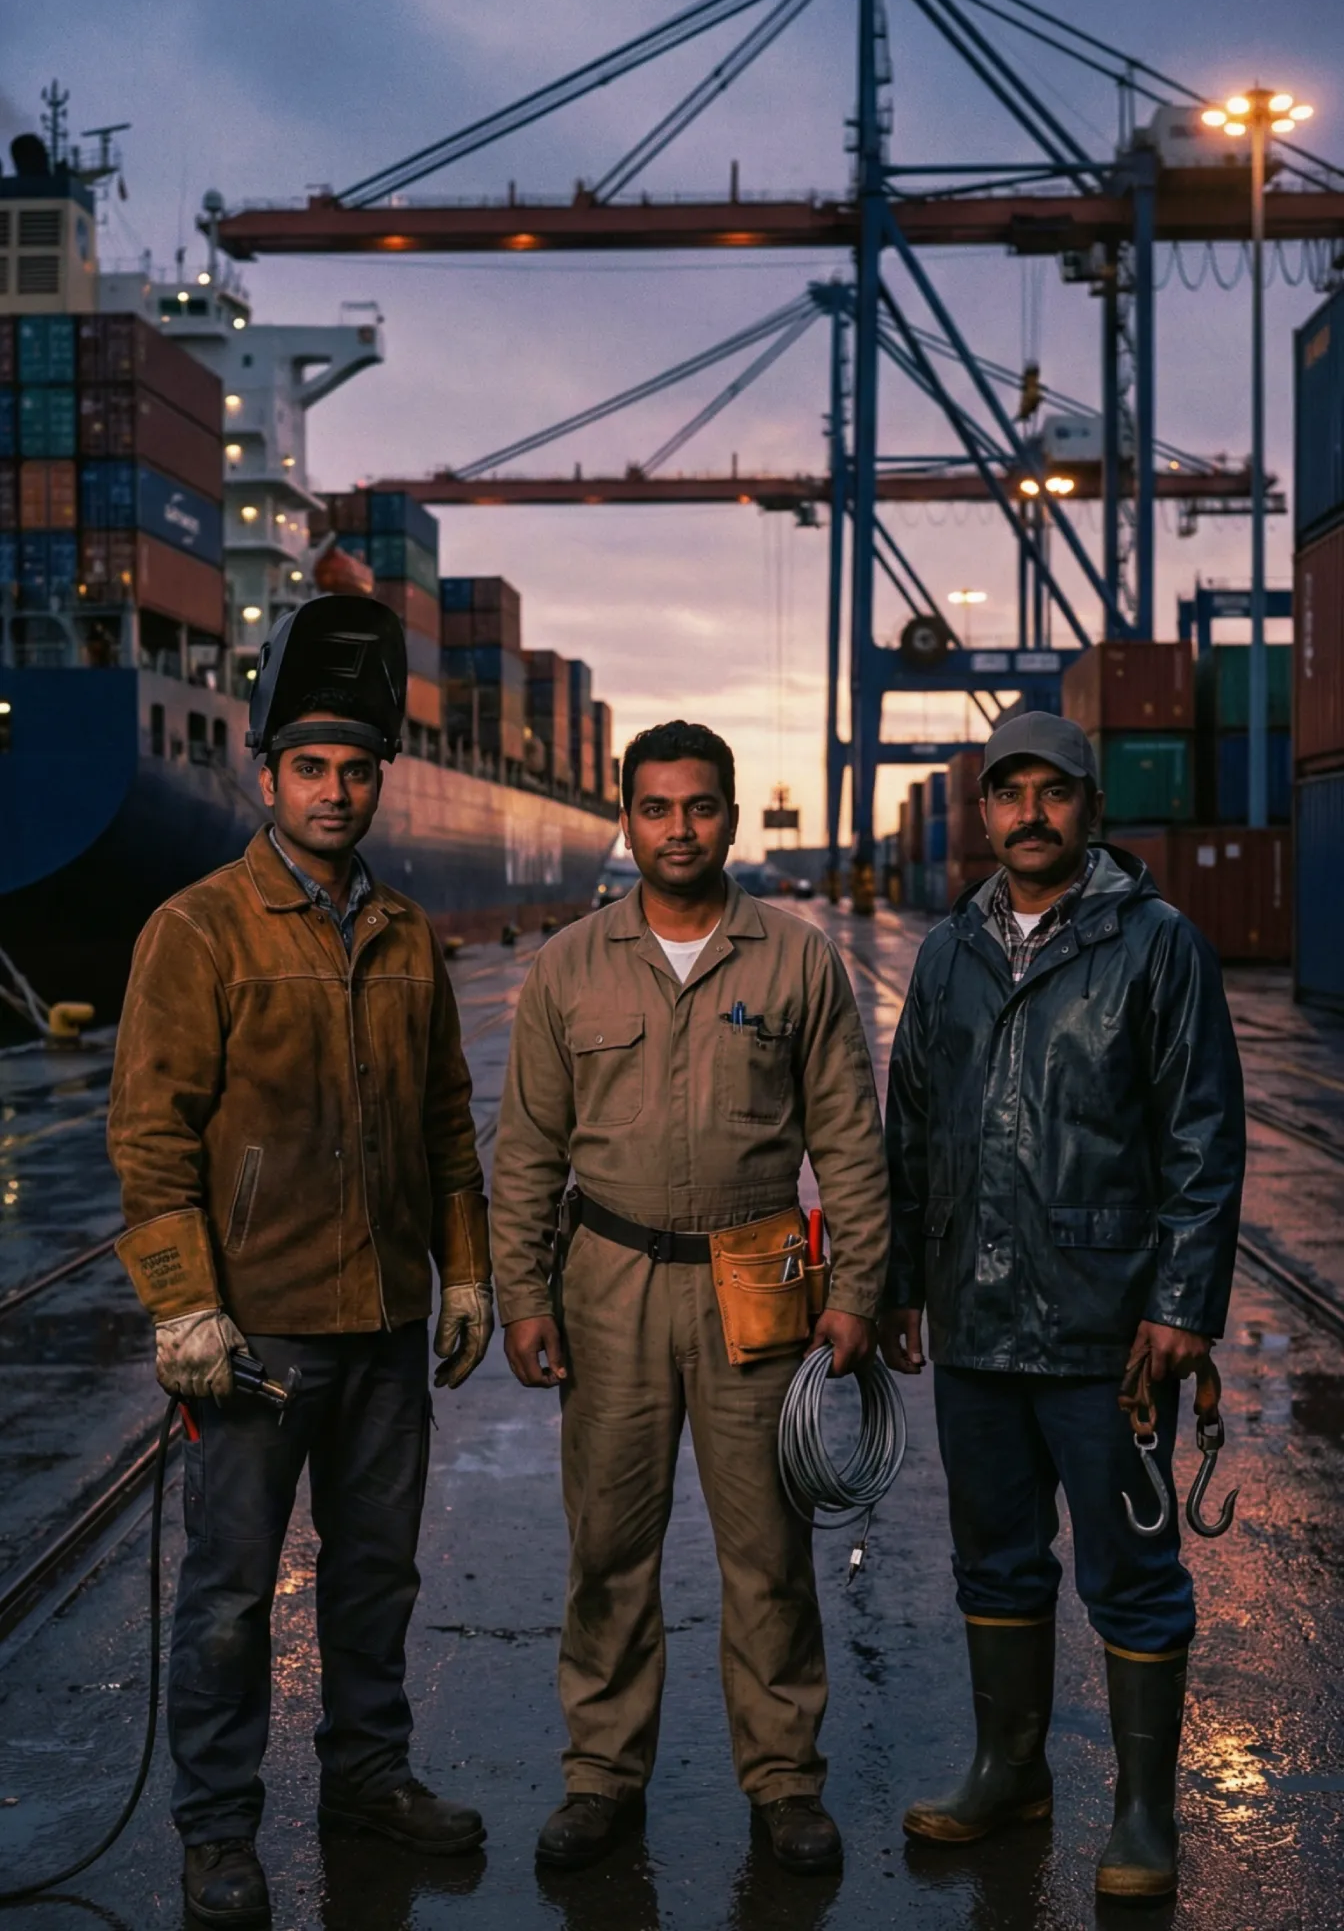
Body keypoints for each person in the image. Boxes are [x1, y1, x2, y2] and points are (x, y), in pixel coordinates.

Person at [107, 597, 494, 1929]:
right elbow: (149, 1136)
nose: (336, 791)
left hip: (386, 1329)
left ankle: (368, 1782)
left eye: (357, 769)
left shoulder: (404, 935)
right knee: (225, 1601)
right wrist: (185, 1303)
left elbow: (448, 1123)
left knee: (376, 1576)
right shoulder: (199, 929)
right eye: (311, 769)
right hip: (254, 1341)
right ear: (267, 778)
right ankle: (219, 1834)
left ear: (379, 780)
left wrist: (470, 1275)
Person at [490, 720, 890, 1876]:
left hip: (756, 1277)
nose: (680, 828)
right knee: (608, 1548)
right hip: (608, 1281)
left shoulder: (795, 957)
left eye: (701, 807)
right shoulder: (571, 963)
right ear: (625, 816)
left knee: (767, 1551)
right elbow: (526, 1148)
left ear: (728, 814)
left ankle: (784, 1783)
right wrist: (525, 1292)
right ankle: (601, 1776)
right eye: (656, 807)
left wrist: (857, 1286)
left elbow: (850, 1145)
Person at [881, 710, 1245, 1902]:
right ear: (982, 811)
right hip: (977, 1314)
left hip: (1111, 1327)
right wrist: (897, 1285)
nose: (1028, 811)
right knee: (994, 1560)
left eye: (1053, 791)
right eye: (1008, 791)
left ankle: (1144, 1811)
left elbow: (1201, 1130)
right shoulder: (946, 954)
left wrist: (1183, 1302)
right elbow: (913, 1130)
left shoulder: (1158, 944)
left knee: (1133, 1573)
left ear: (1090, 808)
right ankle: (1009, 1766)